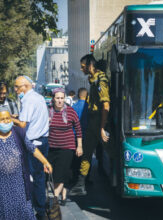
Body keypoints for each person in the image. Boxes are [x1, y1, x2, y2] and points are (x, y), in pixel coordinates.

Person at [0, 107, 52, 220]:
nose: (6, 121)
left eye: (8, 118)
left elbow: (32, 148)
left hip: (19, 184)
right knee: (2, 214)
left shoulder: (18, 133)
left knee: (24, 211)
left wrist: (45, 162)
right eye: (2, 119)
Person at [69, 54, 110, 196]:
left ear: (90, 65)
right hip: (94, 121)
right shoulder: (94, 80)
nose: (81, 69)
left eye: (82, 66)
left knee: (111, 151)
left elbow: (106, 105)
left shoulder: (101, 80)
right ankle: (80, 184)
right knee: (86, 153)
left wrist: (102, 128)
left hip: (99, 121)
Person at [11, 75, 49, 220]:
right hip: (42, 140)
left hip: (34, 143)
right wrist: (17, 116)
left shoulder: (27, 100)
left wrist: (8, 118)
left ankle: (38, 210)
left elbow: (22, 124)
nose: (15, 90)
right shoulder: (38, 97)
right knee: (38, 177)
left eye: (17, 87)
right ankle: (39, 209)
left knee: (34, 178)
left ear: (25, 87)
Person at [48, 88, 83, 205]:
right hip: (52, 147)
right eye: (57, 98)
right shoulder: (48, 111)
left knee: (60, 173)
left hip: (67, 147)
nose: (59, 101)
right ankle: (63, 196)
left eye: (62, 98)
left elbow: (78, 129)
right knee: (55, 173)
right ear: (53, 99)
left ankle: (54, 198)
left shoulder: (71, 112)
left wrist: (79, 146)